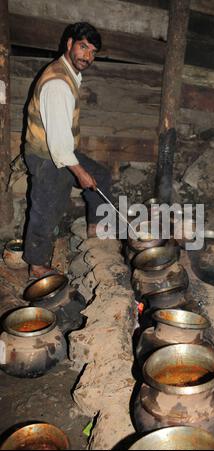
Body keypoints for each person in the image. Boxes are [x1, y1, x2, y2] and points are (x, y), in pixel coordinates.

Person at [23, 22, 111, 280]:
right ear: (69, 43)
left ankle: (95, 230)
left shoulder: (70, 73)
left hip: (59, 151)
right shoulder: (58, 83)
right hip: (45, 156)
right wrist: (79, 173)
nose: (88, 56)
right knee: (46, 209)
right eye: (83, 47)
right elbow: (59, 145)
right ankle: (36, 266)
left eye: (93, 52)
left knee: (101, 177)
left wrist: (82, 170)